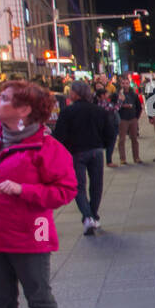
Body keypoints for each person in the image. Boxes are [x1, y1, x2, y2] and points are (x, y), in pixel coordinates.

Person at [0, 81, 77, 308]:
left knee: (38, 297)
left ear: (24, 110)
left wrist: (23, 190)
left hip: (30, 234)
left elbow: (65, 190)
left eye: (4, 99)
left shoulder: (46, 147)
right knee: (0, 301)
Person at [53, 80, 112, 235]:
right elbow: (110, 132)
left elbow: (59, 135)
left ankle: (87, 216)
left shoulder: (67, 112)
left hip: (76, 153)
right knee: (96, 185)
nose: (69, 94)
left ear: (75, 93)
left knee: (78, 186)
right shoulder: (99, 111)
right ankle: (93, 215)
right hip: (96, 151)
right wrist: (104, 145)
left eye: (71, 91)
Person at [114, 77, 142, 165]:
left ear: (129, 84)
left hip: (132, 118)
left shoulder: (133, 94)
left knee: (134, 139)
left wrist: (136, 117)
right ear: (120, 84)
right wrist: (122, 105)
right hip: (123, 119)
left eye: (127, 83)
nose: (125, 85)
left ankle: (136, 157)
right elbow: (114, 106)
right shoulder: (117, 94)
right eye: (123, 83)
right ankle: (123, 158)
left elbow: (138, 107)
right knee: (122, 139)